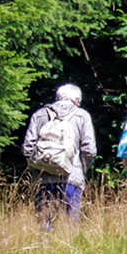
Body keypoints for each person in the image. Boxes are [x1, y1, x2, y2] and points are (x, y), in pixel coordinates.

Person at [21, 83, 95, 227]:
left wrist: (37, 170)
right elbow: (89, 150)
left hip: (43, 179)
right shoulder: (82, 116)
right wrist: (81, 170)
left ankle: (44, 241)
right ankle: (69, 241)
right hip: (71, 178)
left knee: (44, 223)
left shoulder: (40, 115)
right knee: (71, 224)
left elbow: (27, 148)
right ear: (76, 99)